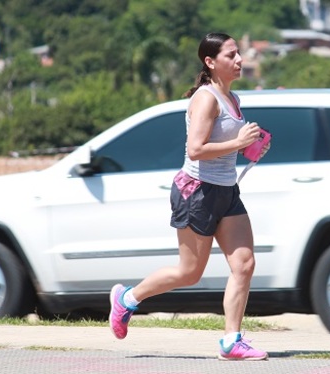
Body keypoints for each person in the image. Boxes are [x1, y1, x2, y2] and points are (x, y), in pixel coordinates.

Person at [108, 32, 270, 361]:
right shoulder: (206, 98)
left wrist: (251, 148)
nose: (239, 60)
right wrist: (238, 144)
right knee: (190, 272)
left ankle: (231, 341)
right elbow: (195, 150)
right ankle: (127, 299)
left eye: (238, 53)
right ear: (210, 62)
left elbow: (223, 147)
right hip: (196, 192)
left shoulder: (233, 99)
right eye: (231, 55)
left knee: (244, 264)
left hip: (226, 191)